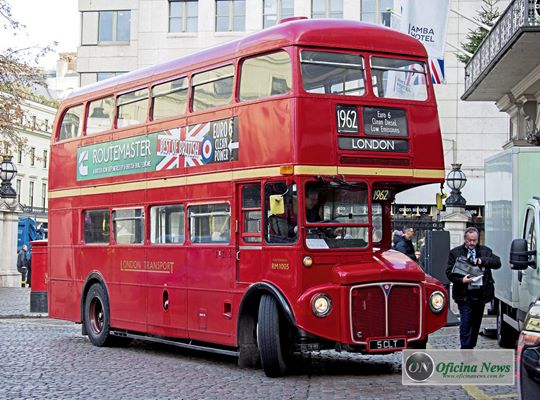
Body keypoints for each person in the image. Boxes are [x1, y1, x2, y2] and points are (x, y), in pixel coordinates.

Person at [446, 227, 501, 349]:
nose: (472, 243)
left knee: (476, 324)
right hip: (464, 295)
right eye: (469, 240)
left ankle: (471, 347)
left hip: (480, 295)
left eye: (474, 240)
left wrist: (482, 260)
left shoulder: (485, 251)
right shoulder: (455, 252)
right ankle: (466, 350)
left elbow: (497, 263)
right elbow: (449, 273)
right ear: (465, 239)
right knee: (465, 323)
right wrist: (462, 280)